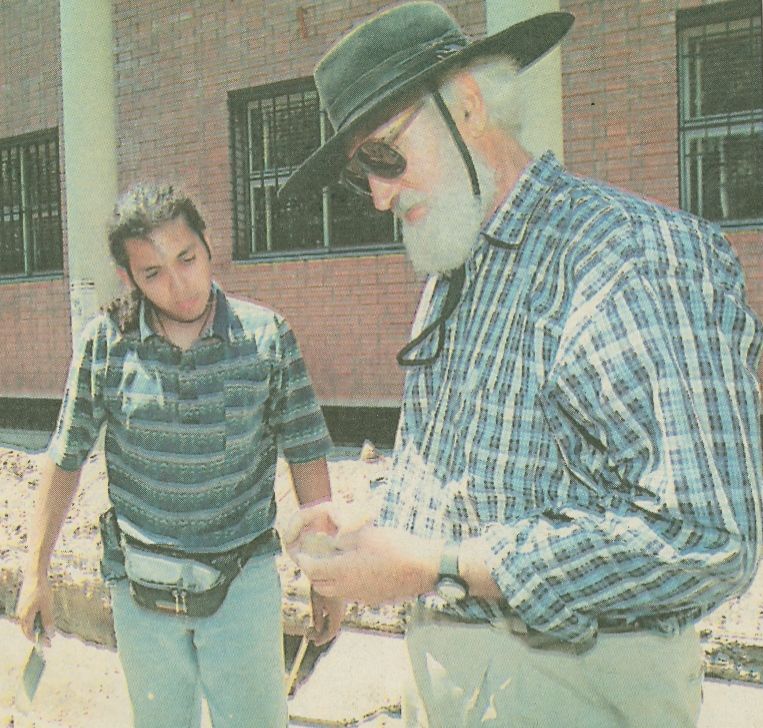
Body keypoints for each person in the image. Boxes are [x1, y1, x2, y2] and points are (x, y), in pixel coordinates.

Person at [281, 3, 763, 727]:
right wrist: (372, 520)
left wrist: (437, 566)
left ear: (468, 107)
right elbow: (482, 479)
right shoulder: (455, 267)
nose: (378, 195)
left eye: (383, 156)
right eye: (360, 176)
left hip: (574, 691)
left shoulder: (631, 256)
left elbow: (706, 536)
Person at [16, 183, 342, 728]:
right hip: (141, 592)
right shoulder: (105, 345)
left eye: (187, 259)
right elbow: (65, 456)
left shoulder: (266, 338)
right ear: (129, 278)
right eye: (153, 272)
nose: (179, 283)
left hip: (242, 584)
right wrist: (36, 573)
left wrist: (326, 574)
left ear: (207, 245)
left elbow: (306, 453)